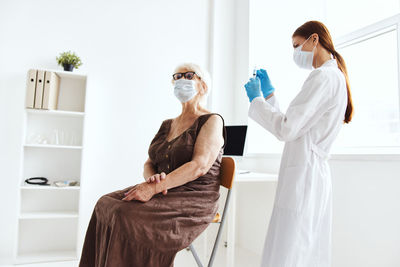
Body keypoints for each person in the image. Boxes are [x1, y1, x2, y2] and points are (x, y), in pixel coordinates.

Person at [79, 63, 226, 267]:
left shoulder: (211, 120)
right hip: (165, 188)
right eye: (177, 76)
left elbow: (199, 166)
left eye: (189, 75)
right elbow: (150, 162)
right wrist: (152, 179)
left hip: (193, 196)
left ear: (204, 86)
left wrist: (156, 187)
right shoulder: (168, 124)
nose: (182, 79)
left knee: (124, 214)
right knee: (105, 203)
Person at [244, 21, 354, 267]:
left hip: (305, 174)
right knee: (300, 246)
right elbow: (297, 125)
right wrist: (271, 96)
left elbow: (286, 128)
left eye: (297, 45)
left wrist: (257, 100)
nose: (295, 52)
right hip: (310, 172)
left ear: (314, 39)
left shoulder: (323, 76)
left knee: (291, 248)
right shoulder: (331, 76)